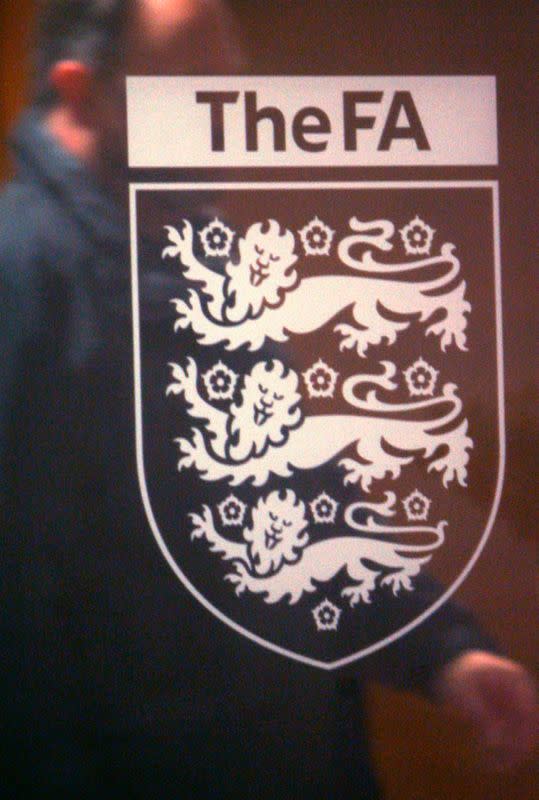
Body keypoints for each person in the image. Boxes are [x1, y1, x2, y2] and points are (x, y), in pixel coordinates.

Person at [0, 1, 536, 797]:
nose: (230, 119)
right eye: (192, 90)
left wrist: (443, 651)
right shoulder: (21, 279)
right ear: (81, 93)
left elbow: (304, 519)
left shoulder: (199, 268)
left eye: (230, 87)